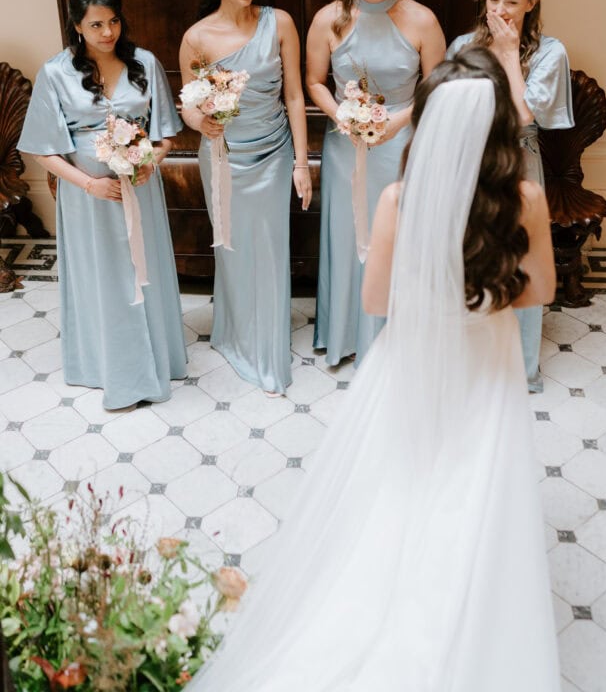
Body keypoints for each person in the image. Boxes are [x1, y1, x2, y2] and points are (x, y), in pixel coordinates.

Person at [186, 46, 560, 691]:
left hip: (412, 358)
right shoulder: (524, 197)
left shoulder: (399, 198)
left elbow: (376, 302)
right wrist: (479, 299)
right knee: (475, 486)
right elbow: (540, 291)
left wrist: (436, 290)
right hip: (488, 360)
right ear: (498, 120)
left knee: (400, 483)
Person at [18, 0, 187, 410]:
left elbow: (166, 134)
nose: (108, 32)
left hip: (139, 191)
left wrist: (151, 159)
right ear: (77, 26)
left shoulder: (144, 63)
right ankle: (106, 366)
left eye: (113, 21)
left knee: (142, 270)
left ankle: (156, 359)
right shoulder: (55, 73)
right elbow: (41, 149)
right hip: (88, 198)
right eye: (96, 25)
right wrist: (90, 183)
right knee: (102, 276)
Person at [306, 0, 445, 366]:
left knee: (395, 238)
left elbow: (437, 86)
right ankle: (344, 335)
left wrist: (396, 121)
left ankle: (394, 338)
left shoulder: (421, 19)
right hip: (347, 144)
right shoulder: (329, 19)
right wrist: (344, 117)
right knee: (348, 239)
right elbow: (314, 82)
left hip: (401, 143)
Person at [179, 0, 311, 396]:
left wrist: (301, 162)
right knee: (232, 247)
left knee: (270, 250)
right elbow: (189, 106)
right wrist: (204, 122)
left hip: (273, 153)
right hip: (223, 158)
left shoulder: (281, 24)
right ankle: (234, 333)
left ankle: (267, 350)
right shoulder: (197, 37)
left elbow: (294, 94)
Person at [448, 0, 573, 391]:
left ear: (532, 3)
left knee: (519, 261)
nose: (499, 11)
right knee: (472, 261)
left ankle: (519, 368)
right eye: (493, 0)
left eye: (512, 2)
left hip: (520, 160)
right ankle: (471, 361)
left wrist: (505, 53)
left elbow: (522, 114)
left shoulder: (550, 52)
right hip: (470, 161)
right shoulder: (463, 45)